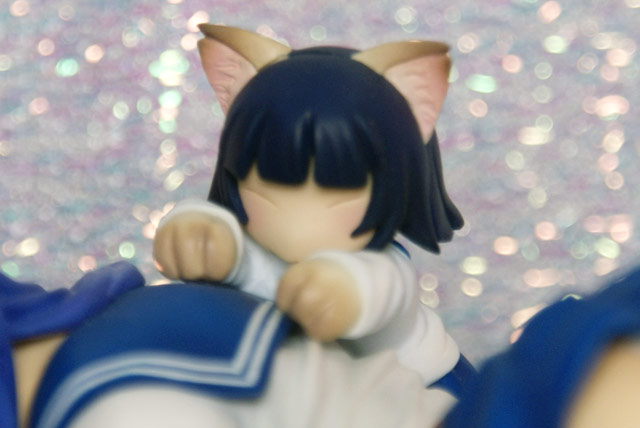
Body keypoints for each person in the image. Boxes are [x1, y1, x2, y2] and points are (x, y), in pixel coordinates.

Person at [154, 24, 470, 387]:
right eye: (269, 186)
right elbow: (232, 250)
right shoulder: (259, 251)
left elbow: (374, 293)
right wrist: (196, 231)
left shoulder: (383, 269)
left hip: (423, 389)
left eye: (340, 189)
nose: (297, 222)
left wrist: (339, 293)